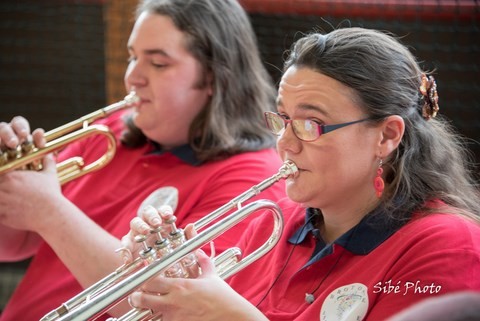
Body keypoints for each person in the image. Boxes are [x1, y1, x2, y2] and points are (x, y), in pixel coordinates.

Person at [122, 27, 480, 321]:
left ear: (386, 136)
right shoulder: (273, 222)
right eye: (282, 119)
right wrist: (166, 282)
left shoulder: (448, 246)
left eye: (312, 124)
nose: (285, 144)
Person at [0, 0, 287, 319]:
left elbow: (172, 306)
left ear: (213, 76)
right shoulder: (109, 132)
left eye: (158, 63)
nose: (133, 76)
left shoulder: (255, 178)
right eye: (132, 57)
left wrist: (49, 211)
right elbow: (13, 245)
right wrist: (12, 184)